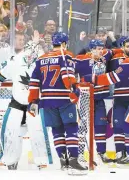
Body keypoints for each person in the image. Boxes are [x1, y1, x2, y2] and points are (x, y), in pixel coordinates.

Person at [0, 40, 45, 170]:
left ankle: (42, 161)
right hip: (18, 104)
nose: (30, 55)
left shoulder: (43, 61)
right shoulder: (16, 60)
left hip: (36, 105)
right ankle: (10, 160)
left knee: (38, 133)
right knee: (11, 132)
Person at [28, 32, 88, 175]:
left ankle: (63, 161)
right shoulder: (66, 55)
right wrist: (75, 90)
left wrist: (33, 101)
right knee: (71, 127)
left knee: (57, 130)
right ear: (64, 43)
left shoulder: (41, 59)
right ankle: (73, 159)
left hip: (47, 100)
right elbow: (67, 76)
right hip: (64, 98)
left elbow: (34, 81)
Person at [74, 39, 113, 164]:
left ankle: (101, 152)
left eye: (101, 48)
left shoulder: (104, 58)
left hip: (100, 99)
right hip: (86, 98)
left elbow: (114, 51)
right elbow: (70, 68)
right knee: (83, 127)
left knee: (101, 126)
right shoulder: (82, 60)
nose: (100, 51)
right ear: (91, 49)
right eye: (97, 48)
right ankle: (79, 154)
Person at [108, 36, 129, 163]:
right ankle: (119, 152)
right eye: (127, 46)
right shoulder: (116, 59)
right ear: (122, 46)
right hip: (119, 97)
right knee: (118, 125)